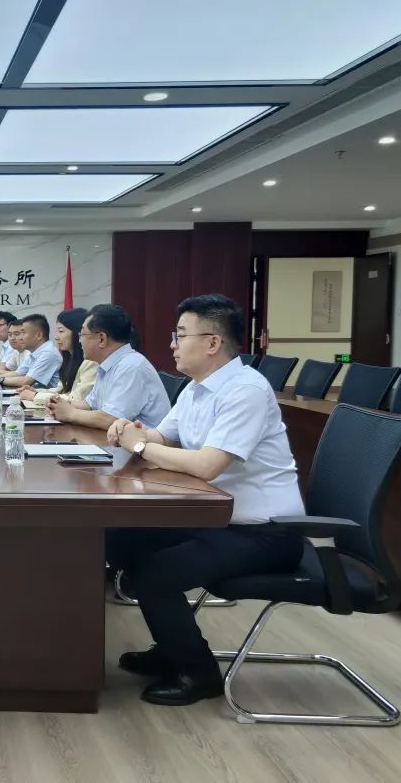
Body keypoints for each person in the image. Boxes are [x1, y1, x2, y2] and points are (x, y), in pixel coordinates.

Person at [105, 294, 305, 706]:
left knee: (156, 573)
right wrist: (131, 430)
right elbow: (163, 436)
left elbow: (208, 465)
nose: (173, 344)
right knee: (121, 539)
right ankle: (171, 646)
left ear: (213, 342)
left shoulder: (246, 390)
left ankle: (197, 672)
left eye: (180, 335)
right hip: (216, 518)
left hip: (265, 533)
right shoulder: (197, 388)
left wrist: (139, 445)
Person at [47, 303, 170, 430]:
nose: (79, 341)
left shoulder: (131, 366)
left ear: (102, 339)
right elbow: (90, 404)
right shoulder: (106, 365)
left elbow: (110, 419)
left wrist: (71, 413)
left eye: (82, 335)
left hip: (143, 441)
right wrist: (60, 405)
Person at [18, 308, 97, 407]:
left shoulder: (91, 362)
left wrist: (35, 396)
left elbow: (76, 399)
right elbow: (61, 390)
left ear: (78, 332)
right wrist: (36, 391)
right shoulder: (70, 358)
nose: (56, 337)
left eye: (61, 331)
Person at [1, 314, 62, 389]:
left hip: (50, 395)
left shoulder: (48, 353)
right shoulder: (33, 352)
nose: (20, 337)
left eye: (23, 333)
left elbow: (26, 381)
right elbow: (18, 373)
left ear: (39, 335)